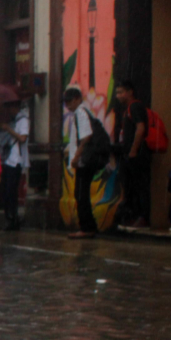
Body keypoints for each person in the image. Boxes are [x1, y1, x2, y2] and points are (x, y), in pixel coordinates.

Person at [64, 87, 102, 239]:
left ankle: (87, 228)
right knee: (81, 193)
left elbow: (86, 137)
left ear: (78, 99)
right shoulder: (81, 113)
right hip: (84, 160)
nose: (69, 105)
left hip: (84, 161)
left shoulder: (80, 112)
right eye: (67, 102)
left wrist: (75, 158)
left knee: (80, 193)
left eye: (71, 101)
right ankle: (88, 226)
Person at [112, 80, 151, 228]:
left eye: (121, 92)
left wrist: (133, 150)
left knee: (139, 186)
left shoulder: (135, 107)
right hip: (128, 154)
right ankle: (132, 215)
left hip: (136, 154)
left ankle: (142, 217)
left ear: (130, 92)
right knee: (130, 186)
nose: (118, 96)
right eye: (116, 93)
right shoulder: (128, 109)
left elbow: (140, 128)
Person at [0, 102, 30, 230]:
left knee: (11, 191)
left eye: (10, 108)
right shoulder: (13, 120)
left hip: (16, 160)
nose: (9, 111)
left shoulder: (23, 120)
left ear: (15, 107)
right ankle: (9, 218)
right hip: (7, 160)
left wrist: (9, 130)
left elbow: (23, 138)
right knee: (6, 191)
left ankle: (13, 219)